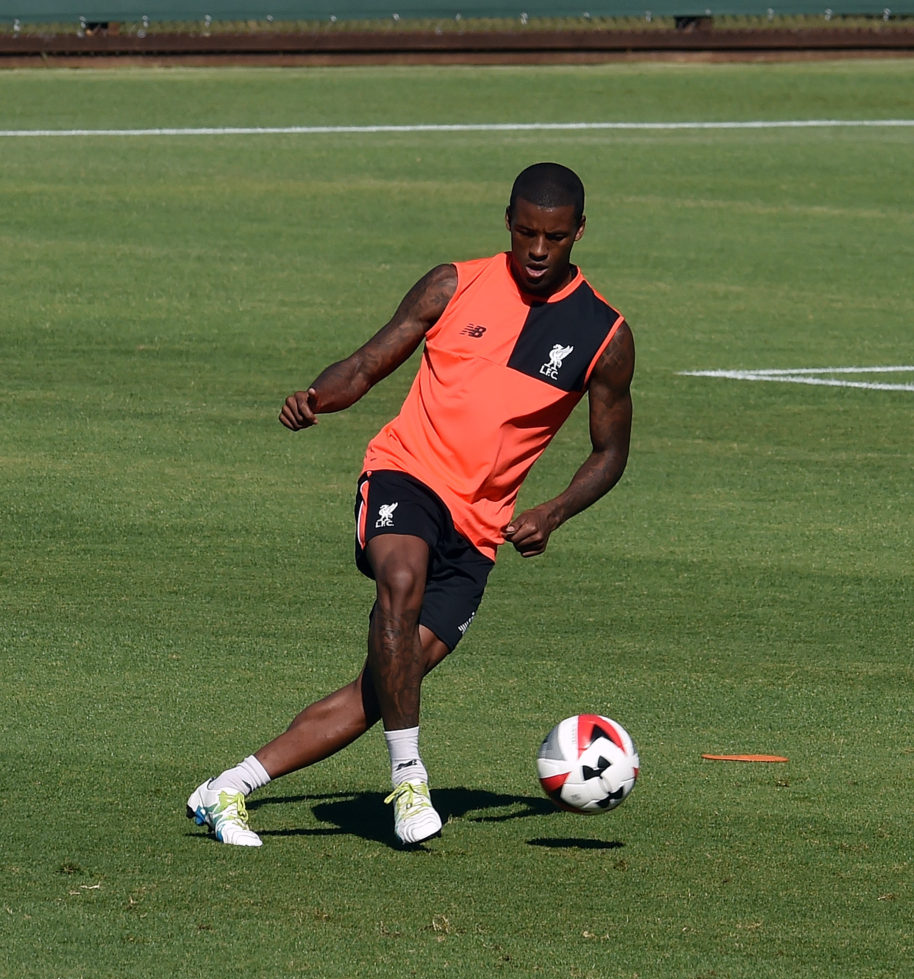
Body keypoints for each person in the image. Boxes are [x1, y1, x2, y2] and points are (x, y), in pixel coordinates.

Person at [186, 162, 635, 848]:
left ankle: (227, 789)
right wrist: (316, 397)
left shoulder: (603, 334)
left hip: (478, 532)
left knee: (384, 687)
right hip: (405, 475)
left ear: (580, 231)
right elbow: (368, 363)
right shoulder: (453, 284)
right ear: (507, 222)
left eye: (554, 237)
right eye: (524, 233)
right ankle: (409, 779)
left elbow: (609, 454)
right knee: (399, 579)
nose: (537, 251)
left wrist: (554, 511)